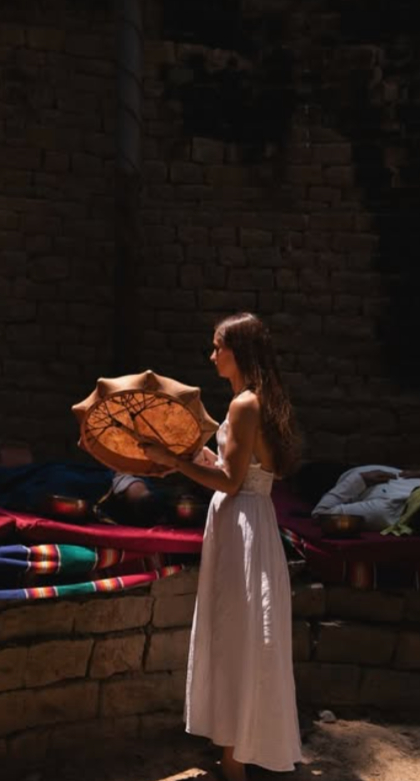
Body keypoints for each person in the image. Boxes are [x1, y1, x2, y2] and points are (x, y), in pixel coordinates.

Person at [139, 312, 303, 781]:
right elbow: (241, 467)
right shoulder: (255, 399)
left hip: (242, 525)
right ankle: (237, 748)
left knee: (238, 634)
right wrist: (190, 459)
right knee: (245, 632)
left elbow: (232, 482)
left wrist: (173, 459)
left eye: (218, 347)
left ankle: (235, 761)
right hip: (249, 521)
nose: (212, 355)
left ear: (239, 350)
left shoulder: (244, 405)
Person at [312, 463, 420, 532]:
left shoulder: (384, 511)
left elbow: (321, 513)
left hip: (348, 477)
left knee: (314, 472)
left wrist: (359, 480)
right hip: (389, 469)